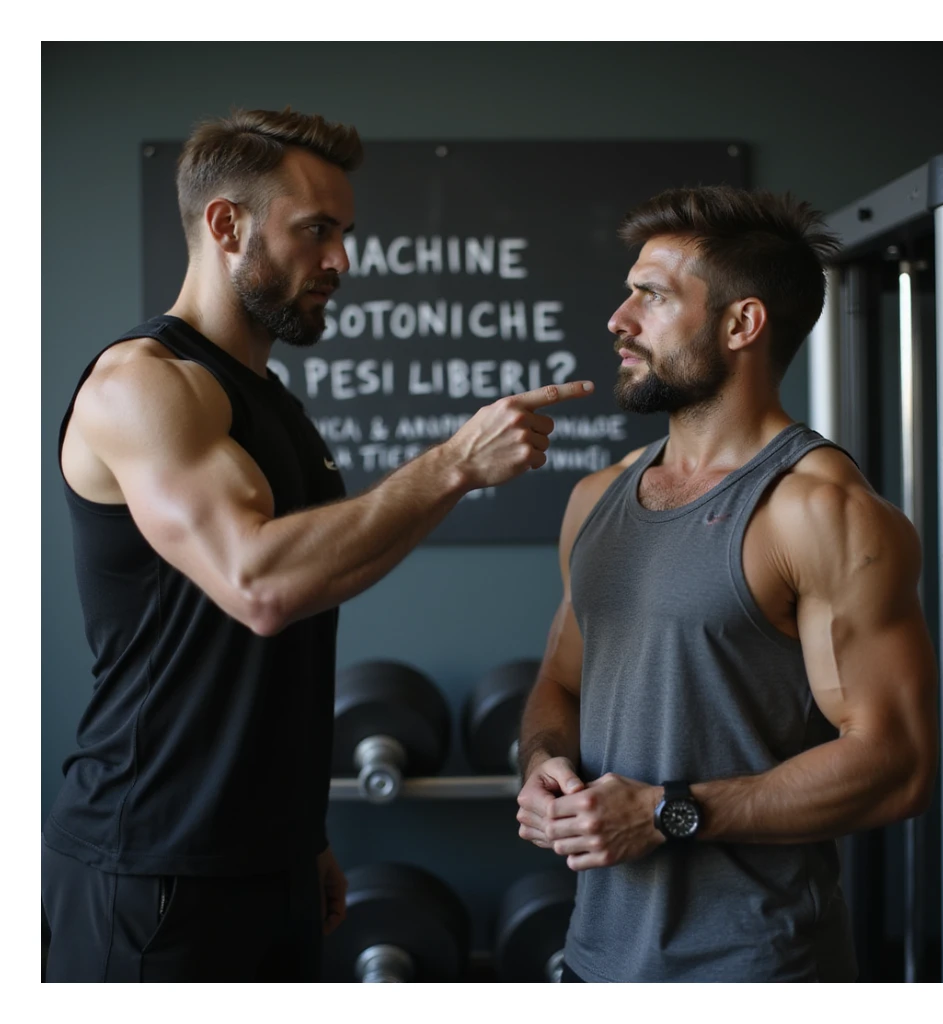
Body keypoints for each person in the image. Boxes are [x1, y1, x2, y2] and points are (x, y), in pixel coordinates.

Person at [42, 106, 593, 982]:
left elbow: (315, 586)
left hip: (269, 856)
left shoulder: (274, 404)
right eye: (315, 231)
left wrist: (301, 835)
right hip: (152, 860)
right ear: (227, 225)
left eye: (345, 234)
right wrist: (455, 462)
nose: (340, 261)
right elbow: (258, 585)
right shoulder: (143, 386)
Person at [515, 185, 938, 982]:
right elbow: (560, 683)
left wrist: (669, 812)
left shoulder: (819, 511)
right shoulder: (596, 498)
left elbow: (898, 763)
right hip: (595, 959)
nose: (618, 319)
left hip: (757, 970)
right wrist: (542, 764)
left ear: (742, 324)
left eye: (652, 296)